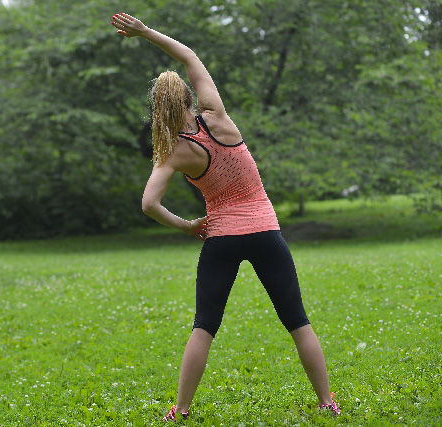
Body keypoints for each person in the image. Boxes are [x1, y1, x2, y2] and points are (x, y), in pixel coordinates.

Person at [111, 13, 341, 421]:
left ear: (159, 109)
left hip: (220, 237)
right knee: (297, 321)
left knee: (205, 326)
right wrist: (146, 33)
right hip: (267, 232)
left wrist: (188, 225)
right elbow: (189, 56)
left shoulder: (173, 151)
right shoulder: (216, 115)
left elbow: (148, 204)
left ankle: (179, 410)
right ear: (187, 99)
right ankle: (327, 402)